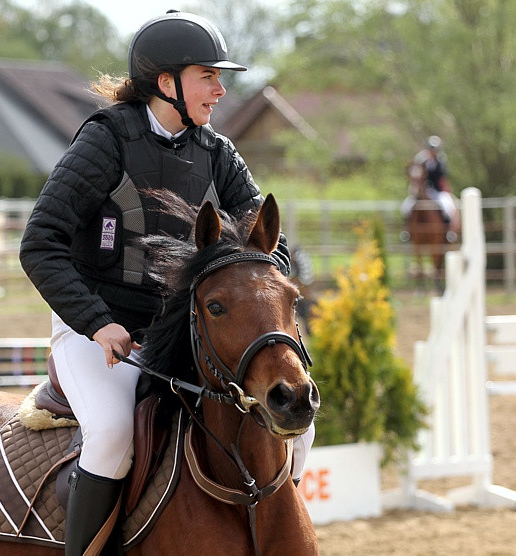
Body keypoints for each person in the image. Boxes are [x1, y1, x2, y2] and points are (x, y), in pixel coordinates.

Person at [19, 10, 314, 554]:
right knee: (110, 434)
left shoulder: (217, 152)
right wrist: (95, 323)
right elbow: (39, 244)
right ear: (166, 82)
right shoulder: (106, 142)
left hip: (178, 331)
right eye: (209, 76)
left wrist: (256, 289)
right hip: (98, 329)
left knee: (296, 429)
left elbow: (271, 245)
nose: (221, 90)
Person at [400, 135, 460, 241]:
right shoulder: (420, 160)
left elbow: (442, 176)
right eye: (431, 149)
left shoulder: (441, 160)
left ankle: (449, 232)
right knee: (406, 206)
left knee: (448, 206)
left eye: (435, 149)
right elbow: (414, 175)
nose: (433, 151)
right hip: (423, 191)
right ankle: (407, 231)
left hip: (437, 191)